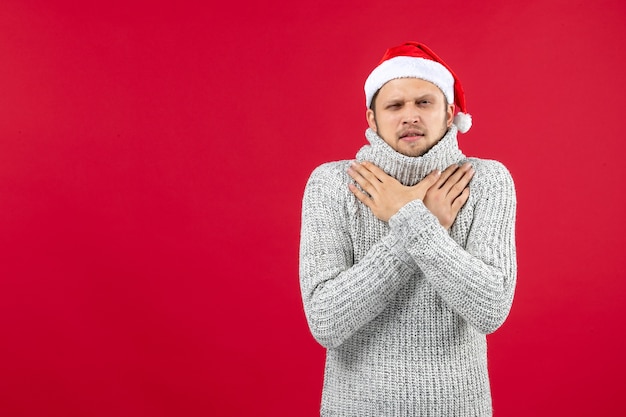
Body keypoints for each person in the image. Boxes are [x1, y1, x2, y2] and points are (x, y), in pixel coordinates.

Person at [299, 41, 517, 416]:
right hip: (355, 408)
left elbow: (490, 308)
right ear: (372, 118)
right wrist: (419, 220)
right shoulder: (332, 184)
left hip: (459, 407)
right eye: (395, 105)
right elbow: (326, 321)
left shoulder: (487, 181)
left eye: (424, 102)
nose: (409, 116)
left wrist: (406, 216)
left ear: (450, 113)